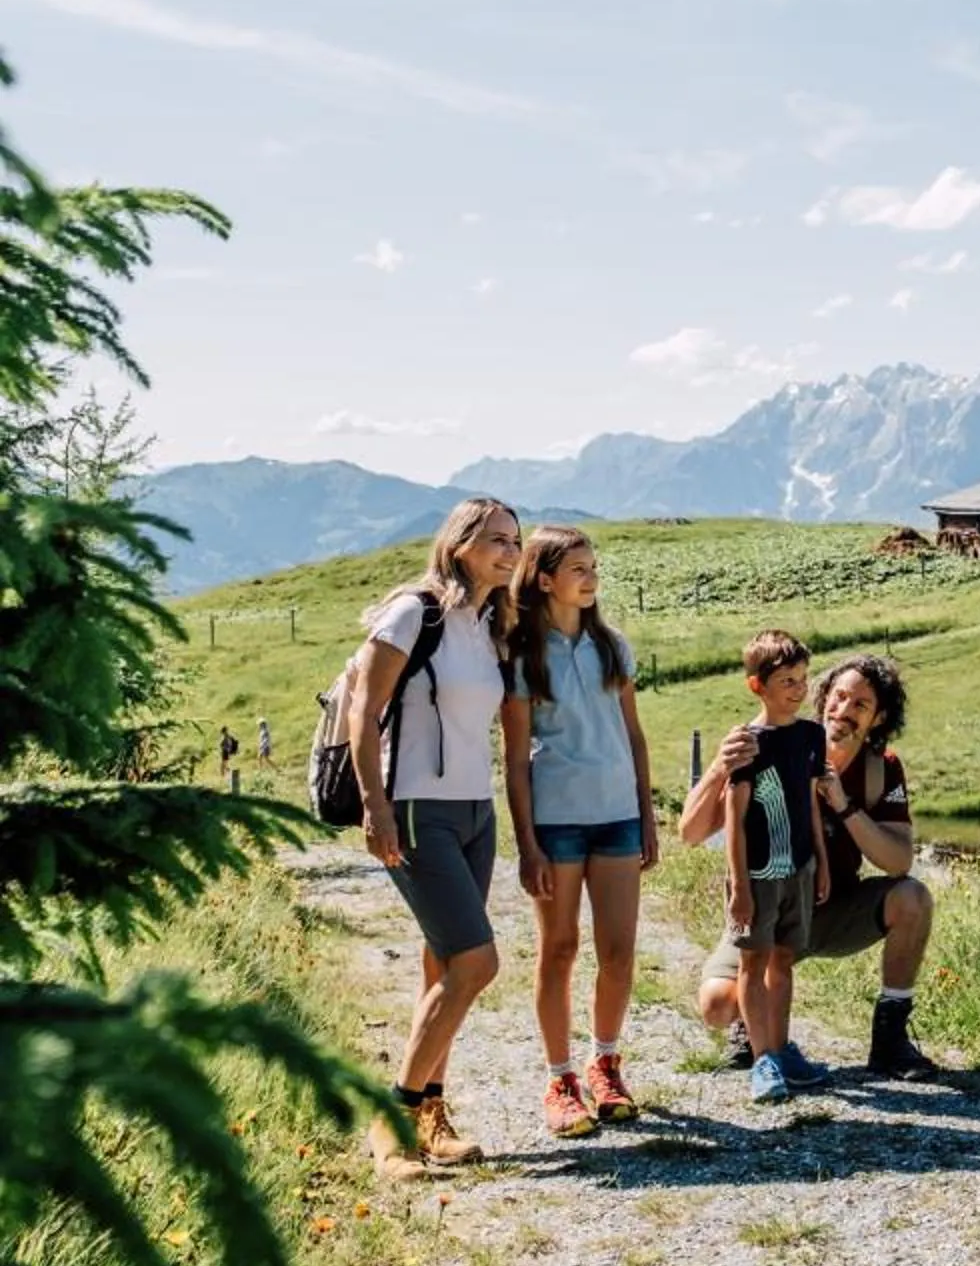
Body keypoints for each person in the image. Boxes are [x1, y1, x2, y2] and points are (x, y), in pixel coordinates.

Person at [350, 497, 521, 1176]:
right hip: (418, 808)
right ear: (459, 545)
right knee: (478, 964)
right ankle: (391, 1119)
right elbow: (364, 711)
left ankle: (429, 1115)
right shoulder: (413, 612)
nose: (510, 551)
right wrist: (376, 805)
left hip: (477, 813)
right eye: (495, 540)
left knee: (445, 967)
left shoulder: (487, 624)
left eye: (515, 539)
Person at [686, 654, 935, 1081]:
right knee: (716, 1006)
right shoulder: (770, 744)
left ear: (878, 719)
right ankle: (755, 1030)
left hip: (830, 908)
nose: (843, 711)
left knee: (913, 897)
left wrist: (843, 804)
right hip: (769, 906)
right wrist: (717, 769)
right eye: (838, 697)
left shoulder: (881, 770)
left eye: (860, 705)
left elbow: (898, 861)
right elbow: (690, 833)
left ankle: (890, 1038)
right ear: (821, 699)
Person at [503, 527, 657, 1140]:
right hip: (555, 821)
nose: (591, 578)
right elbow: (515, 760)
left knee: (618, 951)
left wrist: (648, 815)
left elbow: (635, 736)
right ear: (544, 579)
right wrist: (526, 844)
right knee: (559, 949)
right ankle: (560, 1078)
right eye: (578, 569)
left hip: (617, 813)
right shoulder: (522, 655)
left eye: (595, 567)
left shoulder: (613, 647)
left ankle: (606, 1062)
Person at [718, 629, 829, 1108]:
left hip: (799, 869)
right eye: (787, 680)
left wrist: (821, 862)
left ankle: (782, 1050)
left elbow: (810, 800)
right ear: (756, 685)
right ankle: (762, 1059)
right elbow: (734, 818)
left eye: (803, 679)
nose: (798, 689)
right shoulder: (747, 743)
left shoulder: (811, 735)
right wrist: (739, 886)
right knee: (752, 961)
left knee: (784, 958)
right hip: (759, 876)